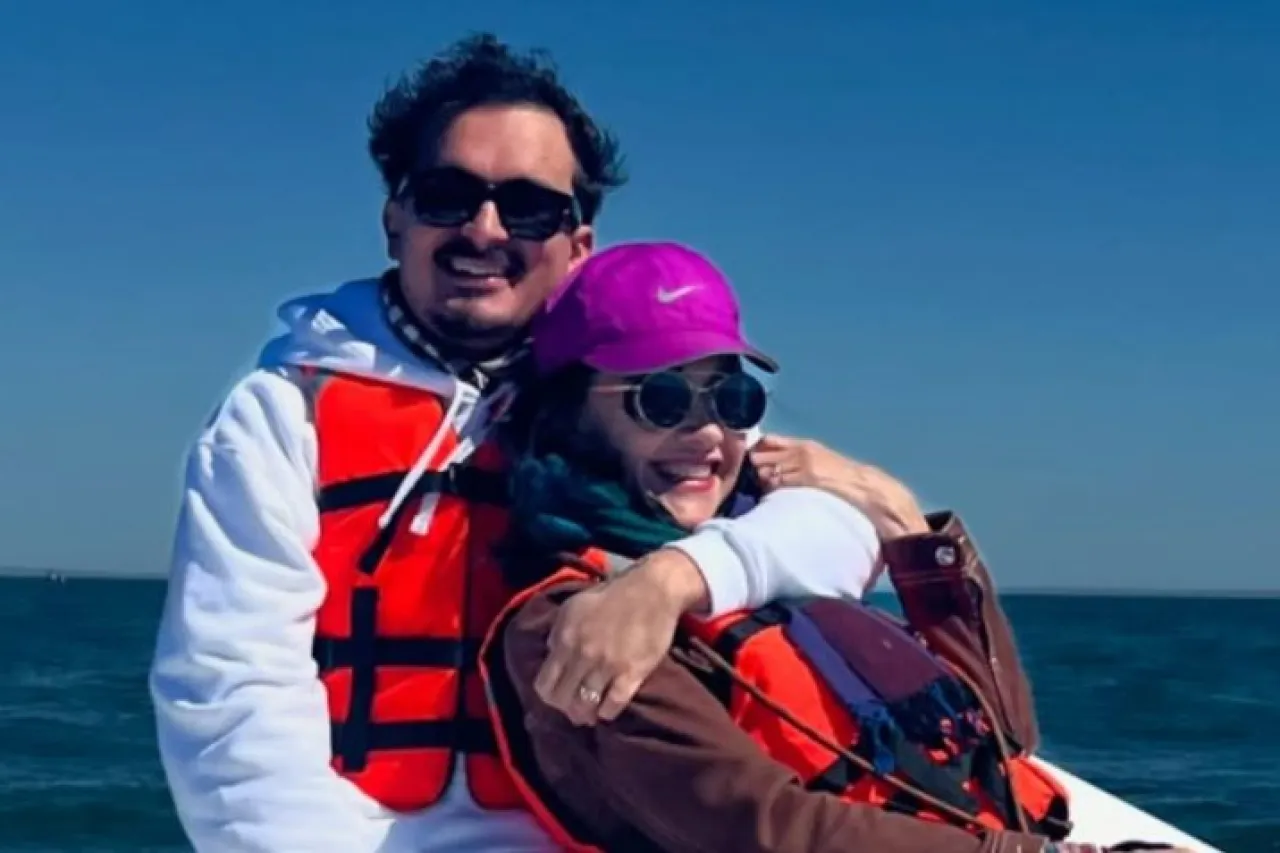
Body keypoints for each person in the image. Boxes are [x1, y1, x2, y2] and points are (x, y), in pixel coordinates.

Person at [149, 34, 891, 853]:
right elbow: (230, 692)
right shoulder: (284, 414)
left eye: (530, 208)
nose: (485, 229)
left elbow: (839, 535)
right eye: (447, 195)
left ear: (579, 245)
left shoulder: (624, 399)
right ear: (394, 217)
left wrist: (674, 579)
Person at [479, 240, 1193, 853]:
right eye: (660, 400)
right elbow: (761, 831)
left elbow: (1004, 738)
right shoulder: (574, 626)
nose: (708, 434)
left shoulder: (762, 554)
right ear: (571, 415)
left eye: (730, 400)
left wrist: (898, 516)